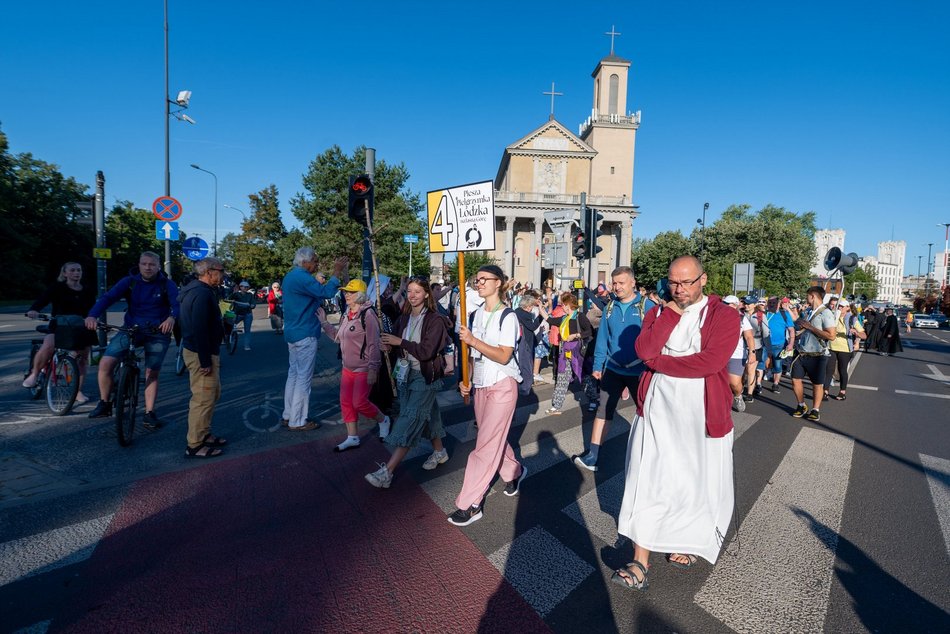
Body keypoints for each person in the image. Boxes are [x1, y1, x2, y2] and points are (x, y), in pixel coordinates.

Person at [612, 256, 739, 590]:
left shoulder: (725, 316)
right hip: (657, 409)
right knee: (647, 478)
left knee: (693, 482)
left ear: (704, 279)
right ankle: (640, 559)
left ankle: (685, 540)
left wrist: (660, 362)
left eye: (687, 283)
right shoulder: (658, 312)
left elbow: (711, 362)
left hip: (701, 412)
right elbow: (644, 349)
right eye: (673, 282)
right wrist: (670, 314)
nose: (679, 290)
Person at [449, 265, 526, 527]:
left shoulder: (508, 316)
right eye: (476, 279)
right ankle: (514, 470)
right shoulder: (473, 316)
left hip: (503, 385)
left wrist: (472, 340)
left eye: (485, 279)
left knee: (482, 447)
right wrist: (466, 380)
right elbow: (471, 355)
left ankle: (470, 503)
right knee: (492, 436)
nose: (479, 283)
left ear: (499, 283)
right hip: (480, 385)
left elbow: (504, 355)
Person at [365, 278, 453, 488]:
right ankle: (440, 452)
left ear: (426, 295)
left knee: (410, 419)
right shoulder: (403, 319)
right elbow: (396, 344)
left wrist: (399, 342)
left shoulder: (435, 320)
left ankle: (387, 472)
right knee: (429, 415)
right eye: (410, 291)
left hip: (425, 376)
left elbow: (426, 351)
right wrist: (389, 346)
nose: (412, 295)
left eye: (417, 291)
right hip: (406, 375)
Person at [84, 251, 179, 427]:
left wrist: (172, 318)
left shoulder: (167, 284)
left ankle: (150, 412)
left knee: (152, 372)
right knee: (105, 364)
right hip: (131, 329)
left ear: (158, 266)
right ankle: (105, 403)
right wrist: (92, 315)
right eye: (144, 264)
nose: (148, 267)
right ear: (139, 264)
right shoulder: (130, 281)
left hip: (157, 332)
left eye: (152, 264)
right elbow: (108, 298)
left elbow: (177, 304)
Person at [573, 266, 654, 472]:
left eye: (621, 283)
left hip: (640, 372)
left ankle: (652, 459)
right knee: (603, 411)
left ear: (633, 283)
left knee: (647, 414)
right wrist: (598, 366)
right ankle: (592, 455)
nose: (617, 287)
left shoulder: (649, 306)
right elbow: (603, 340)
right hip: (613, 370)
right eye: (614, 283)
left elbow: (656, 340)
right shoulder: (610, 308)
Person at [318, 279, 391, 450]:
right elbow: (338, 337)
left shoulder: (368, 314)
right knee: (345, 402)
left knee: (359, 403)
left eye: (350, 292)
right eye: (345, 292)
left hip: (364, 367)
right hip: (347, 368)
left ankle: (383, 419)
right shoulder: (346, 314)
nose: (346, 295)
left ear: (360, 295)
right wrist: (324, 322)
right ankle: (352, 437)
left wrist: (373, 368)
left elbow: (373, 343)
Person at [280, 248, 345, 431]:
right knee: (303, 378)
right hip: (305, 332)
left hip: (293, 332)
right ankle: (298, 420)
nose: (317, 264)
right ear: (305, 262)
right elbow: (326, 292)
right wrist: (337, 272)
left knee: (293, 374)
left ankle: (288, 414)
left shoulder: (291, 276)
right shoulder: (302, 277)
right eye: (315, 261)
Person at [24, 262, 97, 404]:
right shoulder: (57, 288)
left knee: (82, 359)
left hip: (80, 327)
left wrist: (94, 318)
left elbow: (93, 308)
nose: (76, 273)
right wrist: (34, 310)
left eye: (79, 270)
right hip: (59, 324)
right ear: (65, 273)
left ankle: (77, 391)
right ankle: (35, 373)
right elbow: (42, 300)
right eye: (72, 270)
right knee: (49, 346)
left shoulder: (87, 290)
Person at [178, 257, 227, 458]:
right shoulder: (201, 293)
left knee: (211, 395)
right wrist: (205, 360)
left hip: (200, 351)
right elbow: (198, 327)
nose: (223, 274)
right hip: (201, 354)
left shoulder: (198, 290)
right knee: (202, 399)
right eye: (221, 270)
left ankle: (204, 433)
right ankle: (195, 445)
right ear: (209, 272)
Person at [787, 286, 837, 422]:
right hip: (802, 352)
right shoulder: (809, 311)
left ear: (813, 296)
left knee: (817, 384)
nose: (806, 298)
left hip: (818, 355)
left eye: (807, 296)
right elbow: (804, 328)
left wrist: (811, 327)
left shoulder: (826, 313)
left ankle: (815, 410)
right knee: (795, 380)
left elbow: (831, 336)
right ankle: (801, 405)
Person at [542, 292, 593, 414]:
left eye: (563, 304)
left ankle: (594, 400)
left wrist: (575, 335)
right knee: (562, 378)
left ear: (567, 305)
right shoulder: (564, 318)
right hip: (565, 352)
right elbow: (549, 319)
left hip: (578, 351)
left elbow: (589, 331)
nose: (561, 306)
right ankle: (556, 405)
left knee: (583, 377)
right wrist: (540, 307)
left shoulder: (579, 316)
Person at [823, 298, 866, 401]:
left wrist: (856, 332)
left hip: (845, 349)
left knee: (842, 370)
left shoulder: (851, 318)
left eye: (842, 306)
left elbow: (864, 335)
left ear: (847, 308)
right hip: (831, 347)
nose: (839, 308)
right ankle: (825, 392)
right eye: (839, 306)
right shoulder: (832, 316)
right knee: (829, 370)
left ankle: (842, 392)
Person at [723, 295, 754, 412]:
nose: (726, 306)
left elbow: (749, 336)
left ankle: (737, 396)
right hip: (720, 354)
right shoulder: (718, 317)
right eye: (724, 303)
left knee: (734, 383)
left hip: (737, 355)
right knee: (719, 382)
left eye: (728, 304)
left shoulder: (742, 319)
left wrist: (752, 352)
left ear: (736, 306)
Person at [764, 297, 796, 392]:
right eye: (770, 302)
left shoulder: (784, 314)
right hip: (765, 344)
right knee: (766, 363)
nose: (772, 304)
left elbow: (791, 330)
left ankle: (775, 383)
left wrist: (791, 344)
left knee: (778, 365)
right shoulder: (765, 314)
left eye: (774, 303)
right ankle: (767, 374)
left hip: (779, 345)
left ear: (778, 304)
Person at [231, 280, 257, 350]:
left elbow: (253, 303)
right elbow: (229, 299)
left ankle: (247, 345)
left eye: (247, 287)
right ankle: (231, 340)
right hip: (237, 313)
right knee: (231, 326)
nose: (245, 288)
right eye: (243, 286)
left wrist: (252, 305)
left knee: (247, 330)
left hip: (247, 313)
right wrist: (233, 293)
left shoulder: (250, 295)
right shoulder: (236, 294)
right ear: (240, 287)